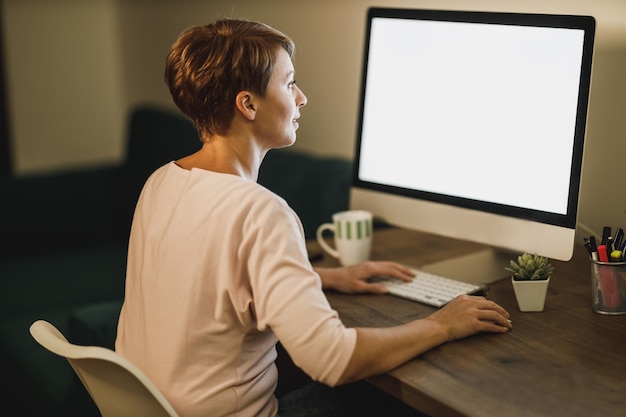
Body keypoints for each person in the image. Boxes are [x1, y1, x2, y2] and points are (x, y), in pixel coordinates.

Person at [115, 18, 512, 417]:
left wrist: (321, 277)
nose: (301, 97)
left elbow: (208, 277)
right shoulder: (261, 211)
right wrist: (443, 324)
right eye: (288, 83)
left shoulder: (162, 181)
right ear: (248, 104)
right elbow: (333, 360)